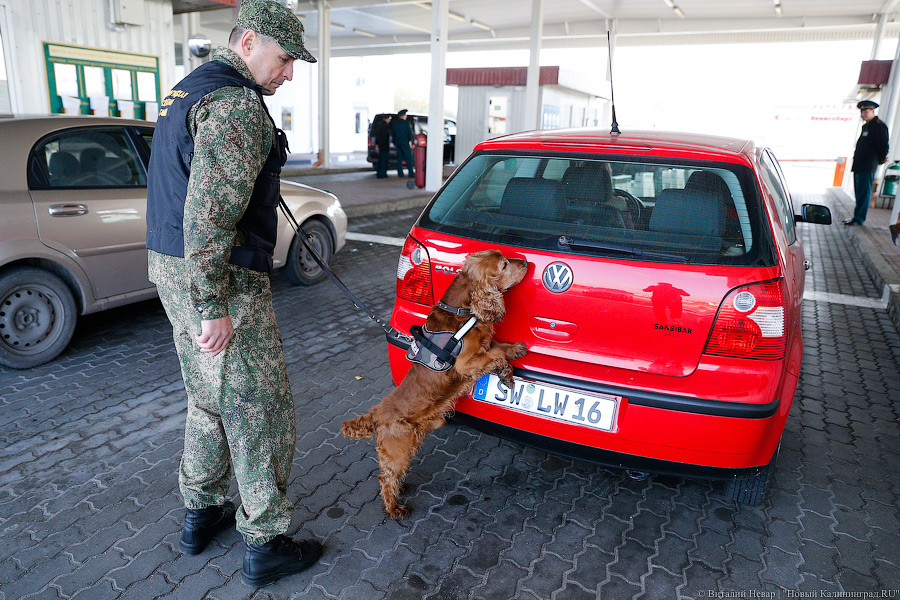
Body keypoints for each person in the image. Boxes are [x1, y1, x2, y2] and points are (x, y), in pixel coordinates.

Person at [145, 0, 322, 588]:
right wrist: (212, 306)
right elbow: (209, 218)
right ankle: (266, 540)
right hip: (217, 278)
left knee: (207, 395)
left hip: (170, 266)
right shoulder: (237, 105)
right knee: (260, 409)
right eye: (285, 57)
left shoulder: (188, 89)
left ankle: (201, 510)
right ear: (248, 41)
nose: (290, 72)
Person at [845, 99, 889, 226]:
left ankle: (859, 219)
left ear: (872, 111)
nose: (863, 114)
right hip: (859, 164)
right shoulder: (867, 125)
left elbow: (883, 146)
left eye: (866, 111)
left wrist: (880, 159)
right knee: (859, 193)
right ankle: (856, 217)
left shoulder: (878, 126)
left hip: (868, 165)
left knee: (864, 193)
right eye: (862, 111)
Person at [392, 108, 415, 178]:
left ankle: (400, 173)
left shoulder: (395, 124)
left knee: (399, 159)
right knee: (409, 159)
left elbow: (393, 134)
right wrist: (412, 142)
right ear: (403, 116)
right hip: (405, 143)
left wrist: (394, 143)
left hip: (398, 143)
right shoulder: (407, 123)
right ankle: (411, 173)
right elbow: (410, 134)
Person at [372, 113, 391, 178]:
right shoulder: (385, 126)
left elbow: (377, 135)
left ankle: (379, 173)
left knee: (380, 160)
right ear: (387, 119)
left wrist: (377, 144)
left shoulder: (379, 125)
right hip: (384, 145)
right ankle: (383, 174)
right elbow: (384, 137)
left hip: (380, 145)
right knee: (384, 160)